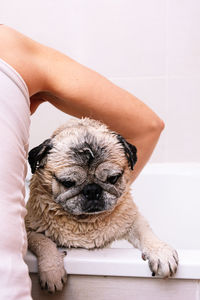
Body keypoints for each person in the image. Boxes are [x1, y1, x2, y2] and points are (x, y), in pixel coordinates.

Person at [0, 25, 164, 299]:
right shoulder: (10, 46)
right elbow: (148, 125)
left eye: (110, 178)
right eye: (69, 182)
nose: (91, 194)